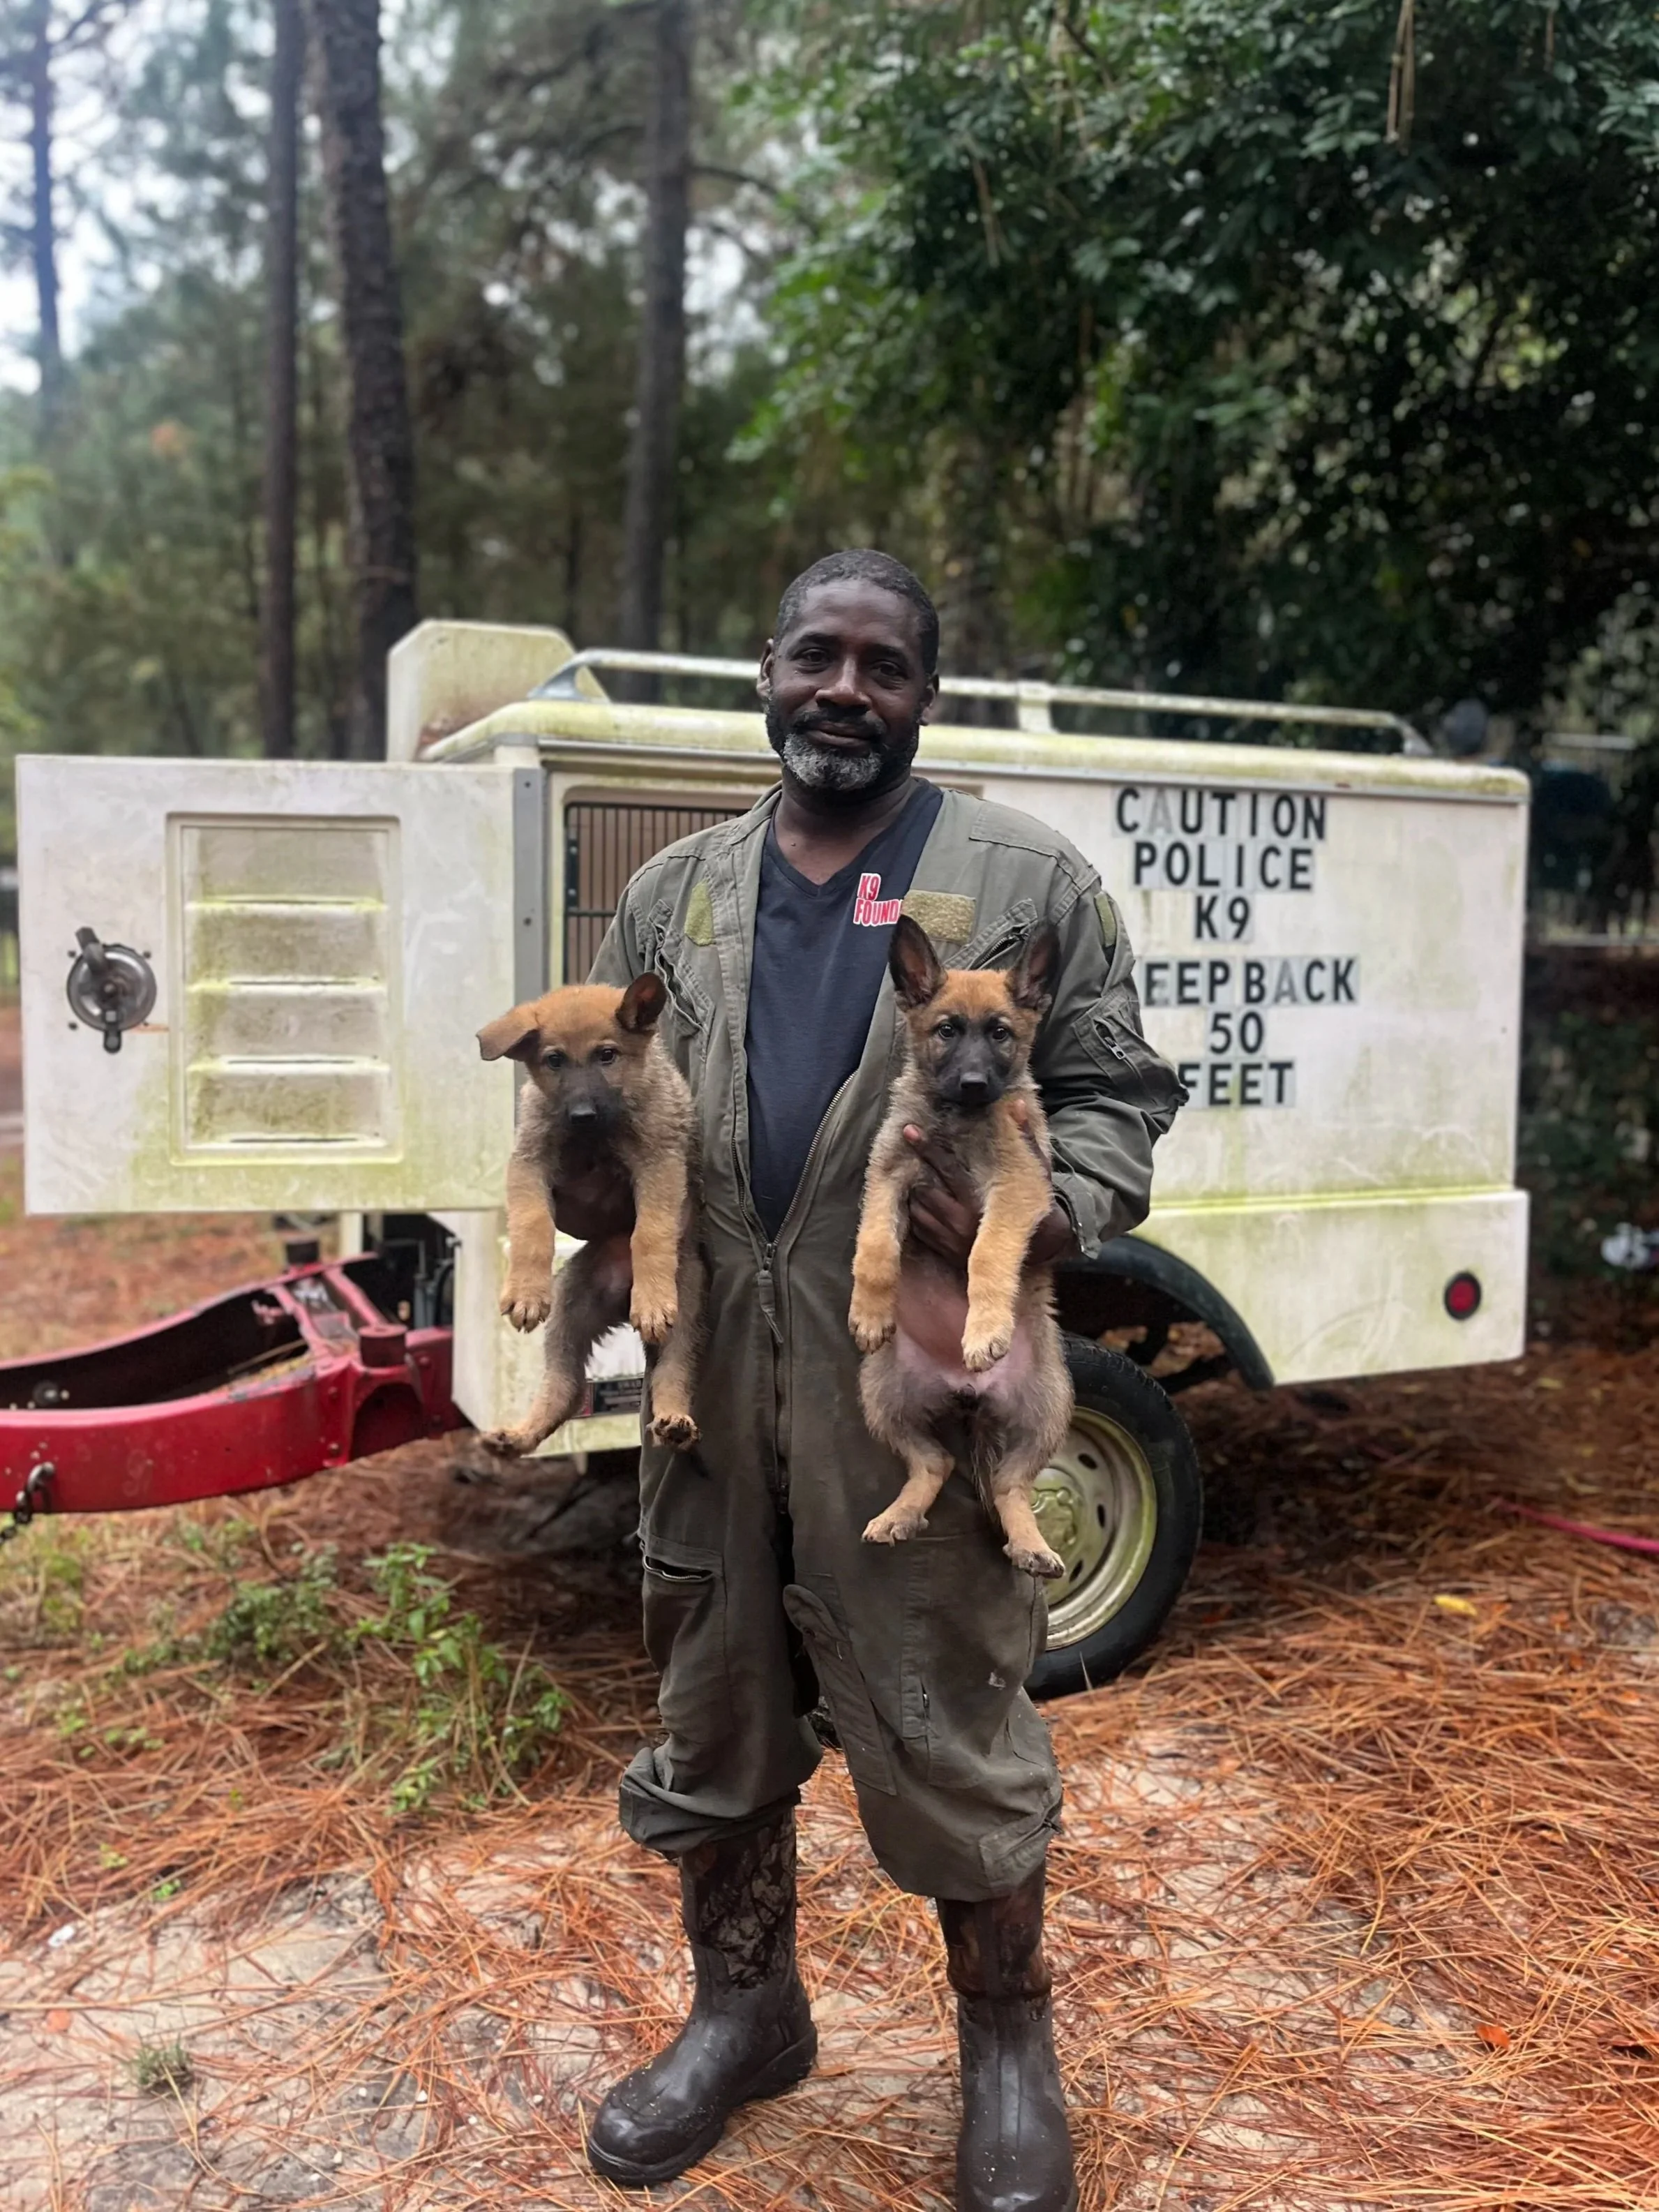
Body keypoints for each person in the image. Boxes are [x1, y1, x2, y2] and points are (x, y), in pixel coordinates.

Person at [557, 549, 1185, 2209]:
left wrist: (1051, 1223)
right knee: (716, 1697)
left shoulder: (1018, 877)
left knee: (951, 1710)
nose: (845, 689)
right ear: (766, 671)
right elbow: (616, 1095)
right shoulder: (674, 893)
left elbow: (1119, 1095)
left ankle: (1004, 2044)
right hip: (711, 1382)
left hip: (916, 1376)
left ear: (926, 692)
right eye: (816, 657)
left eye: (883, 666)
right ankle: (744, 2010)